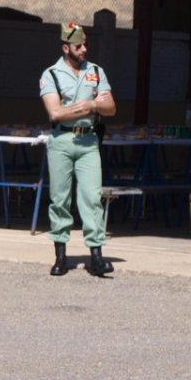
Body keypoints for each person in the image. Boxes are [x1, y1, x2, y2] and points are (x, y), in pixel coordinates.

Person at [40, 21, 117, 277]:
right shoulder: (51, 74)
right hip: (62, 141)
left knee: (92, 197)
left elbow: (111, 107)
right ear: (66, 48)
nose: (84, 49)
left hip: (88, 141)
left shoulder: (96, 71)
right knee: (60, 199)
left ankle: (96, 256)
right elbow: (54, 113)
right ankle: (61, 256)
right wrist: (90, 105)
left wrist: (91, 105)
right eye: (78, 46)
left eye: (85, 44)